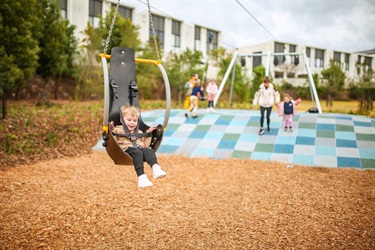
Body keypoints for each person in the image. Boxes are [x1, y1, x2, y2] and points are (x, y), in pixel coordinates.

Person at [110, 105, 167, 188]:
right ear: (121, 120)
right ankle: (141, 177)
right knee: (138, 152)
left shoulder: (139, 132)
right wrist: (111, 130)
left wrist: (148, 133)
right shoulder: (118, 130)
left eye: (135, 120)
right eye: (129, 120)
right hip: (126, 151)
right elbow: (113, 141)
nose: (132, 123)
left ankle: (156, 168)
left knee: (148, 151)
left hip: (139, 150)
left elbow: (145, 145)